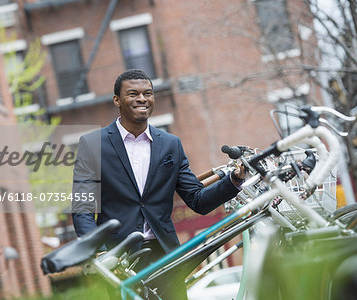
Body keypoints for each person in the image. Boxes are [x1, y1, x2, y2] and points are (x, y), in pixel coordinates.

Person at [72, 69, 245, 299]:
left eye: (148, 93)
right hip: (119, 258)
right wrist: (97, 254)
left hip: (165, 256)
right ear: (117, 100)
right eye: (133, 94)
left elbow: (197, 200)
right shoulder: (92, 144)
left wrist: (234, 181)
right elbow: (83, 207)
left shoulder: (170, 144)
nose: (142, 99)